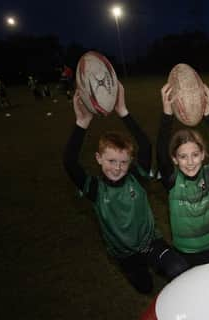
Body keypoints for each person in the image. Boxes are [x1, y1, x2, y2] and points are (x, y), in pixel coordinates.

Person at [63, 83, 188, 294]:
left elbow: (146, 146)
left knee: (179, 269)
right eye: (111, 161)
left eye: (123, 161)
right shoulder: (95, 188)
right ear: (98, 159)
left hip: (150, 242)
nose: (117, 167)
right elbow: (69, 162)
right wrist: (82, 123)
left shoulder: (136, 178)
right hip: (124, 255)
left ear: (130, 161)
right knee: (145, 288)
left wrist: (123, 111)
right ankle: (141, 274)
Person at [157, 83, 209, 268]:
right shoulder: (172, 180)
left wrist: (208, 115)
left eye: (195, 155)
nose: (190, 162)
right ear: (174, 159)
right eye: (183, 156)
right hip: (185, 252)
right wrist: (167, 116)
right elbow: (159, 153)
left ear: (203, 154)